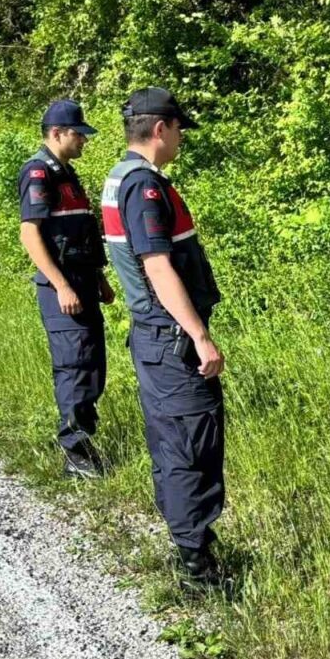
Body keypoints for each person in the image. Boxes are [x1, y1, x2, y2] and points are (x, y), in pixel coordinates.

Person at [101, 87, 226, 587]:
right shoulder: (143, 187)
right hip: (170, 337)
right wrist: (198, 335)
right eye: (178, 129)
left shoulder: (120, 178)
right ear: (160, 129)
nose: (180, 139)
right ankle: (198, 567)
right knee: (189, 445)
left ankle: (195, 548)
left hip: (156, 337)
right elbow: (156, 264)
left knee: (177, 442)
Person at [17, 99, 114, 479]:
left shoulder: (67, 175)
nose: (84, 141)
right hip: (63, 290)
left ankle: (84, 443)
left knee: (92, 366)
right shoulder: (39, 173)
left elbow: (81, 233)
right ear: (57, 133)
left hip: (83, 283)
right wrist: (60, 285)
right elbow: (30, 233)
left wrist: (99, 278)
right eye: (79, 134)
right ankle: (75, 453)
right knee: (75, 367)